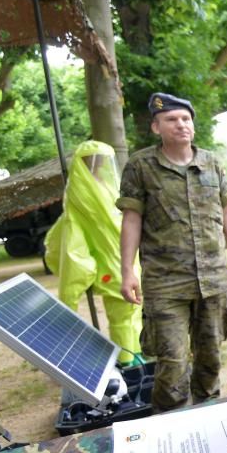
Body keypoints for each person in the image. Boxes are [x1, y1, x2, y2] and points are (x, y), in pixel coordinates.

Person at [117, 93, 227, 412]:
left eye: (186, 118)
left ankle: (207, 413)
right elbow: (132, 218)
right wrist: (127, 270)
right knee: (172, 364)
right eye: (172, 119)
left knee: (211, 356)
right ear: (156, 127)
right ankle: (171, 424)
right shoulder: (141, 166)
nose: (181, 125)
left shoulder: (212, 163)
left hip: (212, 278)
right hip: (165, 283)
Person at [44, 140, 141, 362]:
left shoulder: (106, 185)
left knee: (133, 312)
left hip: (128, 259)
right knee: (122, 314)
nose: (98, 164)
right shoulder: (80, 194)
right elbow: (74, 243)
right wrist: (71, 293)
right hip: (111, 264)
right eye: (93, 159)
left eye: (103, 160)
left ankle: (136, 354)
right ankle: (127, 361)